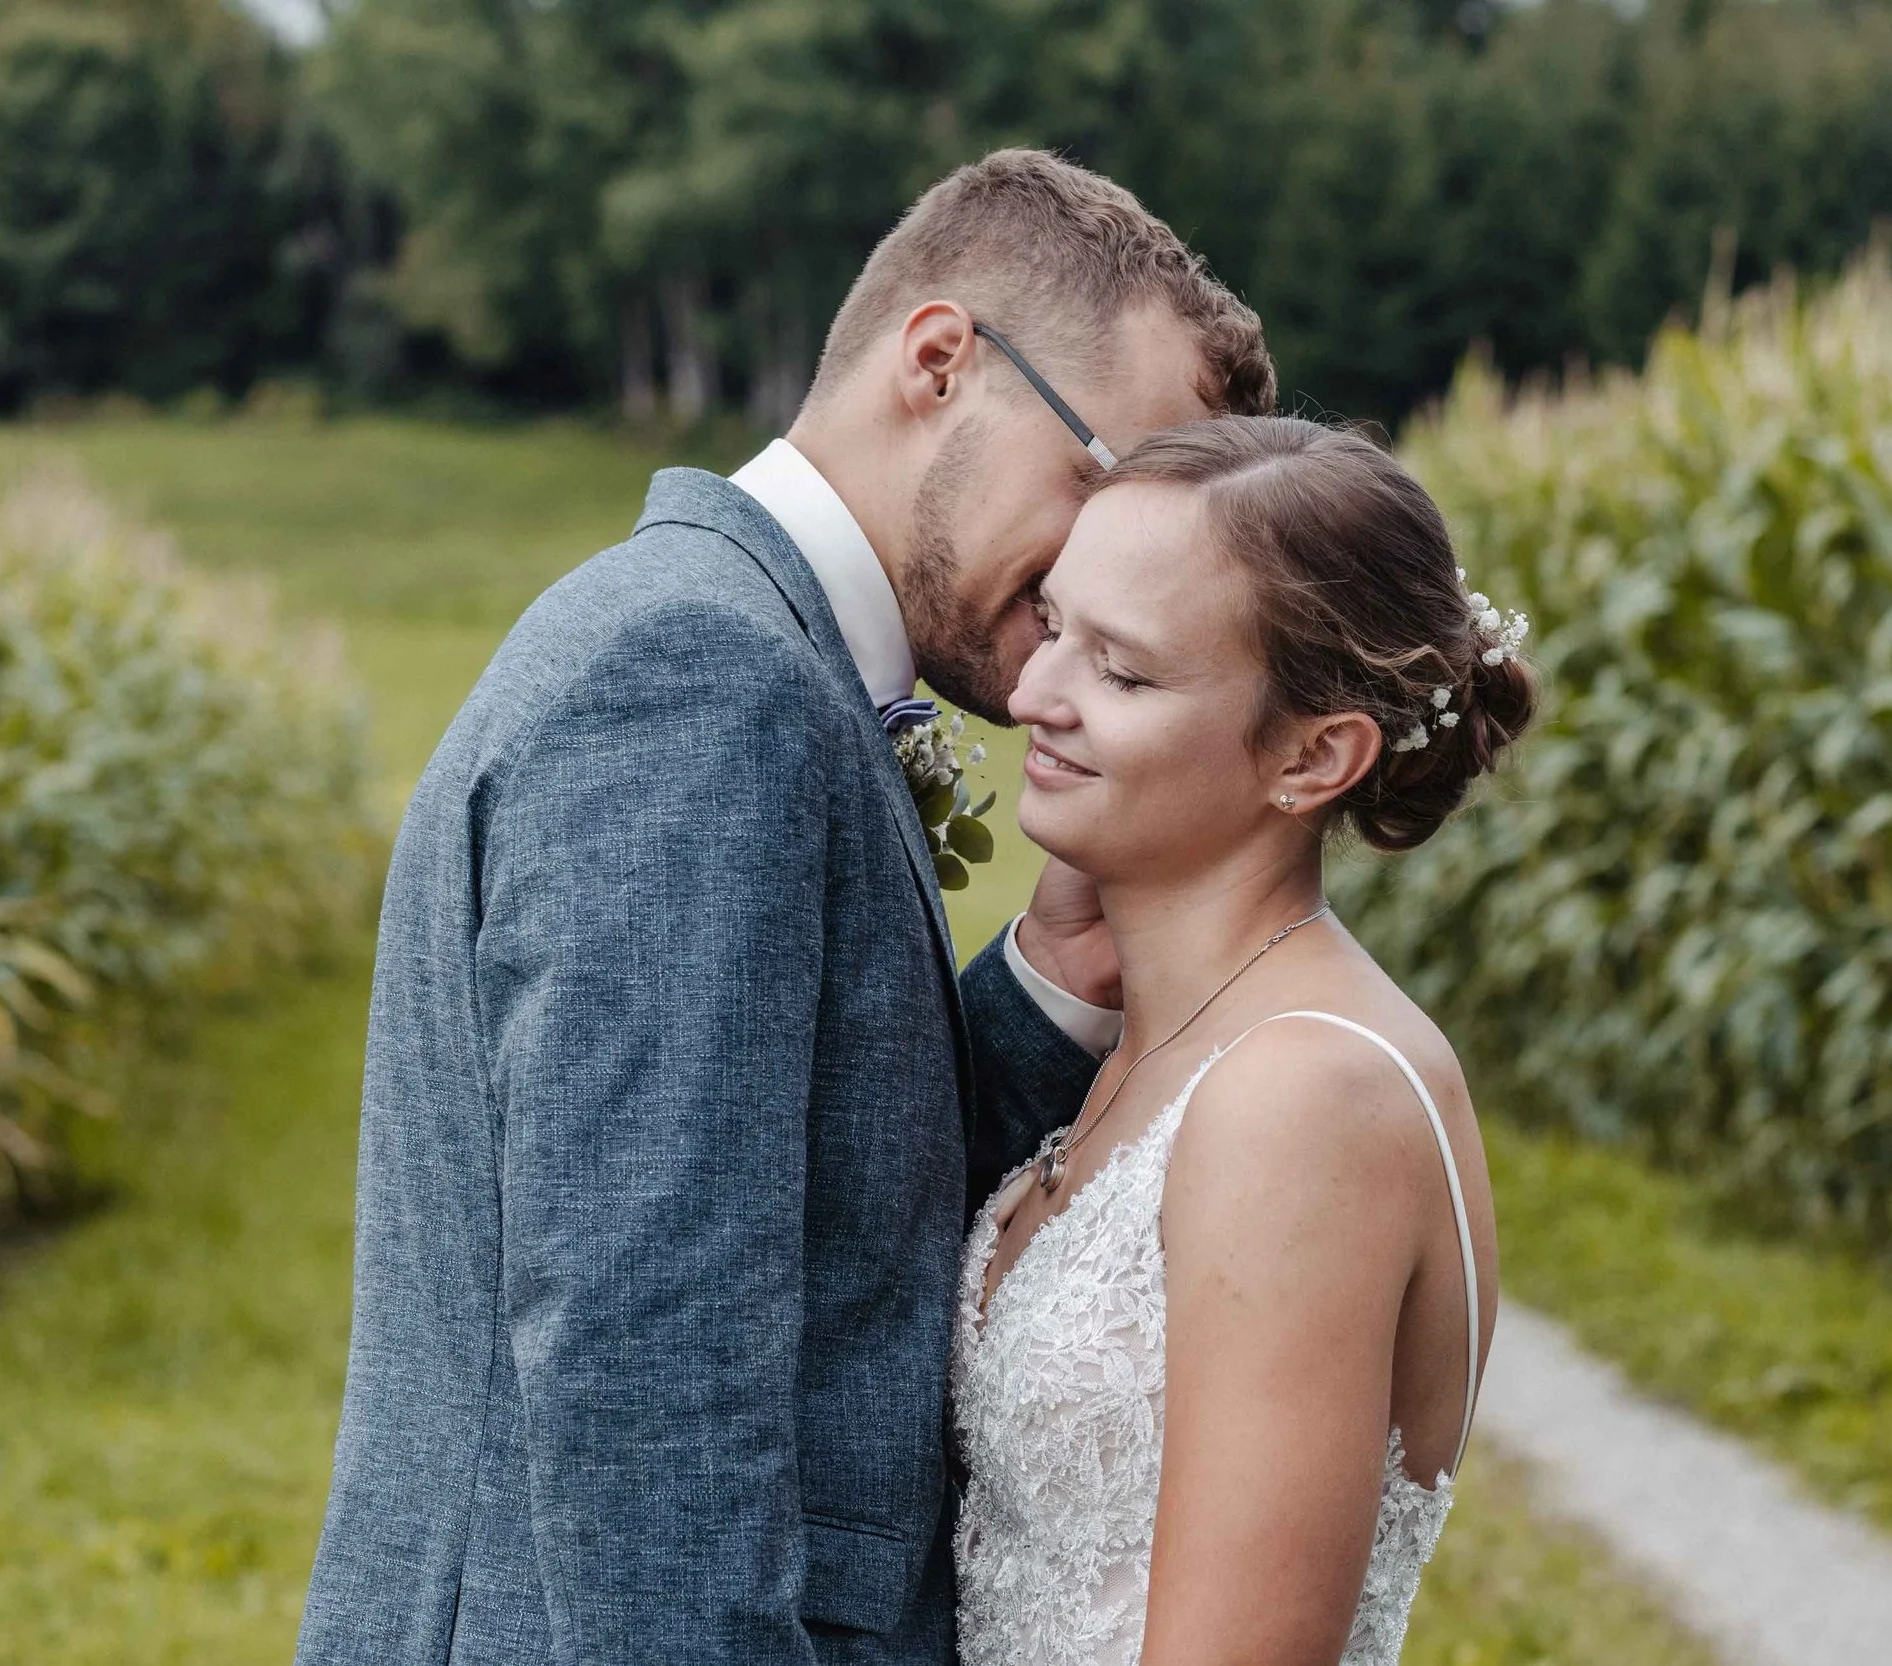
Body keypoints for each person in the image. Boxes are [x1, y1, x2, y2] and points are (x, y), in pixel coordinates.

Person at [294, 150, 1273, 1666]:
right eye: (1105, 479)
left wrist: (1052, 973)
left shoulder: (756, 656)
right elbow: (651, 1378)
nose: (1112, 568)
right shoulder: (700, 678)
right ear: (939, 359)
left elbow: (820, 1202)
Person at [951, 415, 1535, 1666]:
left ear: (1313, 755)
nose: (1030, 694)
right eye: (1055, 626)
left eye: (1122, 671)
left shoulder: (1307, 1093)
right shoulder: (1156, 1047)